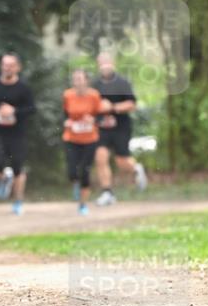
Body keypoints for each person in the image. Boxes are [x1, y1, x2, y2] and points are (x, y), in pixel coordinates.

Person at [92, 52, 148, 206]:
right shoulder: (95, 84)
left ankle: (136, 169)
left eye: (107, 62)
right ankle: (107, 192)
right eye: (101, 62)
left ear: (113, 63)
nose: (104, 65)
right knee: (100, 157)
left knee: (121, 160)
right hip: (102, 127)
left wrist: (113, 107)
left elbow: (131, 104)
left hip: (121, 127)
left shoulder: (122, 83)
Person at [0, 53, 35, 215]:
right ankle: (5, 177)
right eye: (5, 65)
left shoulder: (23, 87)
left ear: (18, 67)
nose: (7, 68)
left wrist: (15, 111)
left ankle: (18, 200)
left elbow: (32, 108)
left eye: (11, 65)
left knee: (18, 166)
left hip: (17, 133)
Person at [62, 68, 101, 216]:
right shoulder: (67, 95)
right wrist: (67, 122)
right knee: (72, 171)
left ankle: (83, 204)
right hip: (71, 138)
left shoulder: (94, 96)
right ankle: (75, 184)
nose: (77, 82)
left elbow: (101, 117)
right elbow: (64, 115)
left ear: (86, 81)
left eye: (80, 79)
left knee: (84, 170)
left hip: (90, 139)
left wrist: (93, 120)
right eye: (75, 79)